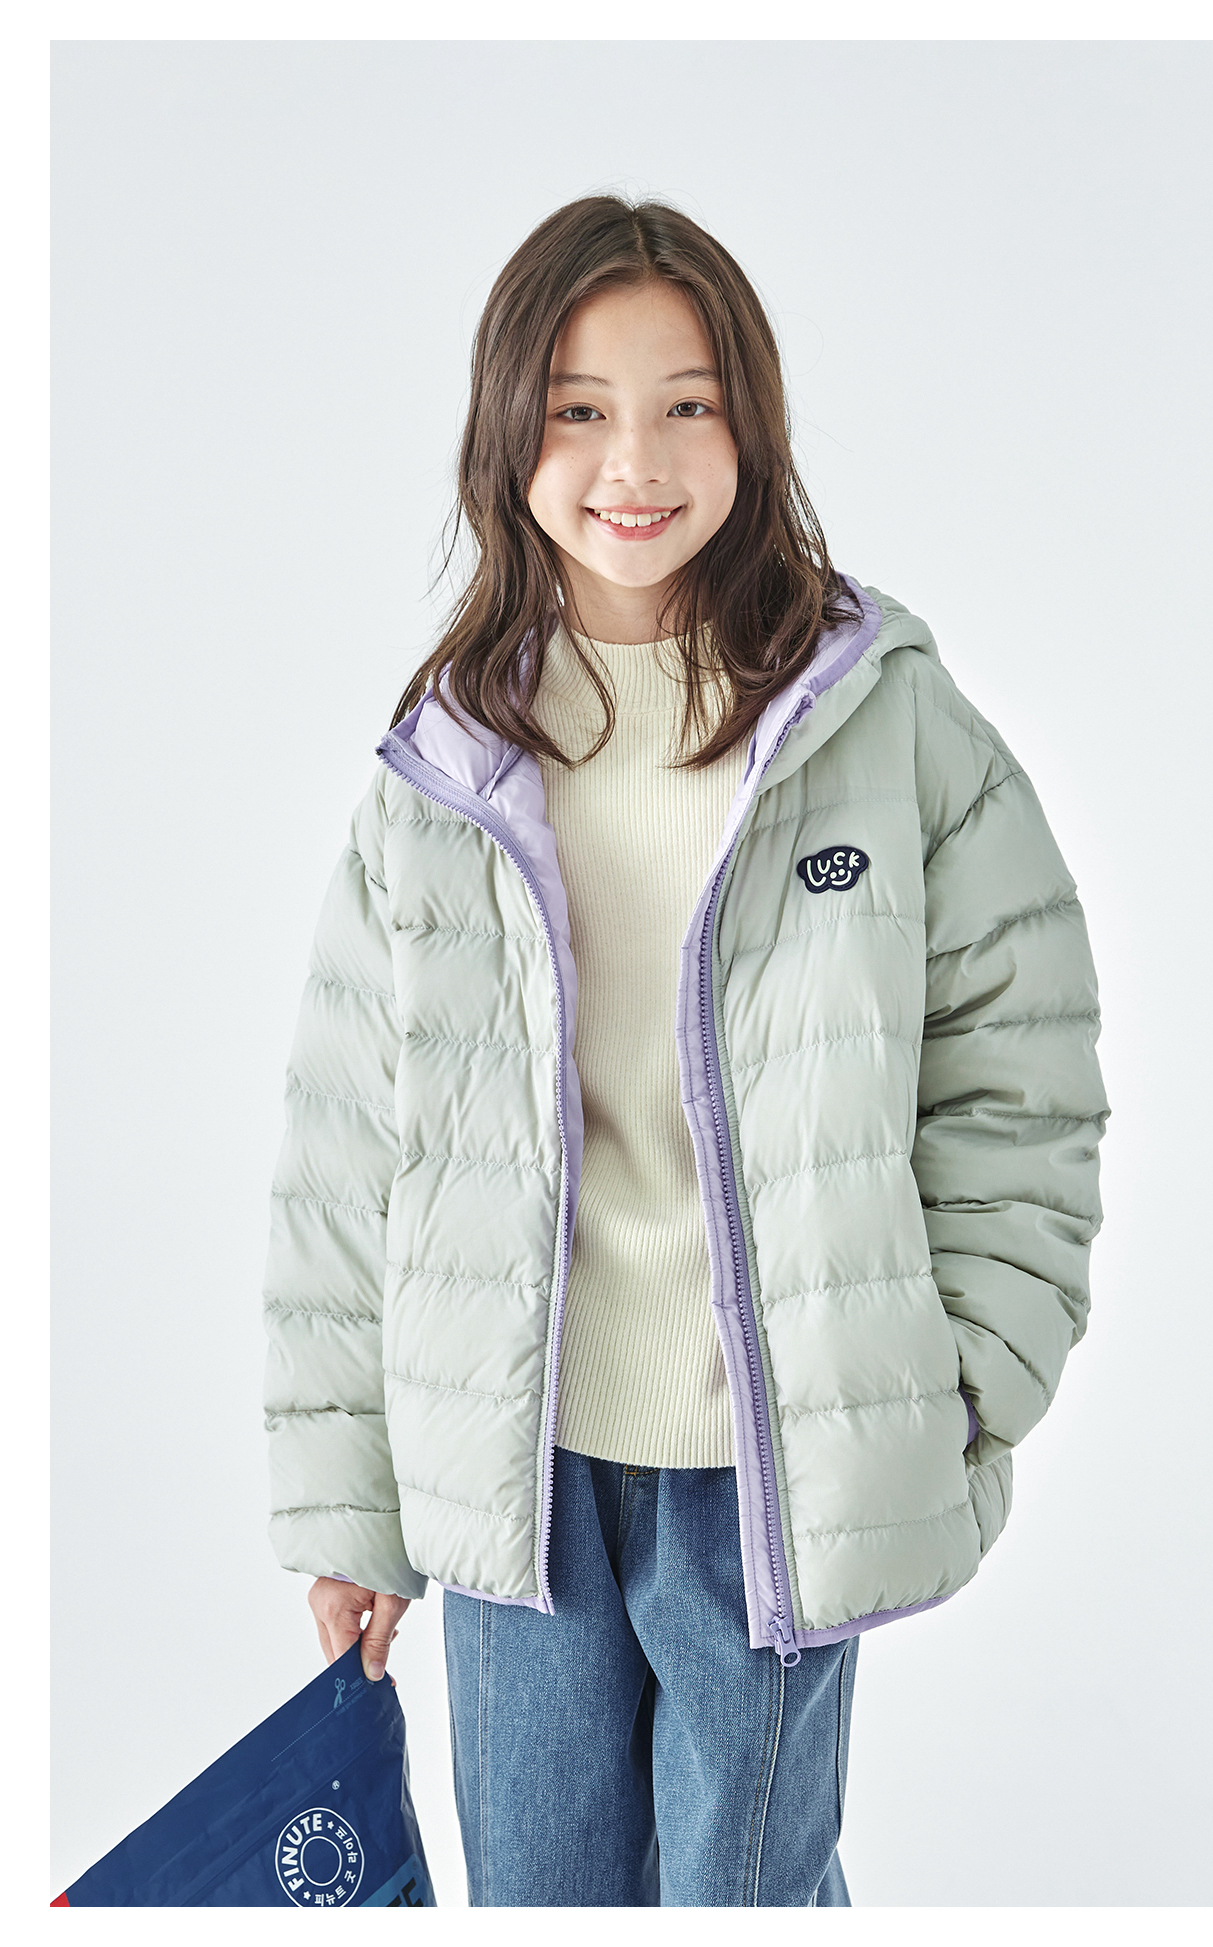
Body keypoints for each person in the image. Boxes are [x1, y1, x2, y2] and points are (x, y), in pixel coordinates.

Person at [261, 194, 1109, 1908]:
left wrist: (966, 1376)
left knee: (746, 1901)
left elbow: (1022, 1066)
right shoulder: (445, 770)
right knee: (544, 1900)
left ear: (752, 426)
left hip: (775, 1469)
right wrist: (350, 1509)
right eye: (579, 408)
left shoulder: (880, 720)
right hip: (520, 1478)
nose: (632, 461)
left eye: (687, 403)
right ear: (510, 435)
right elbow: (351, 1147)